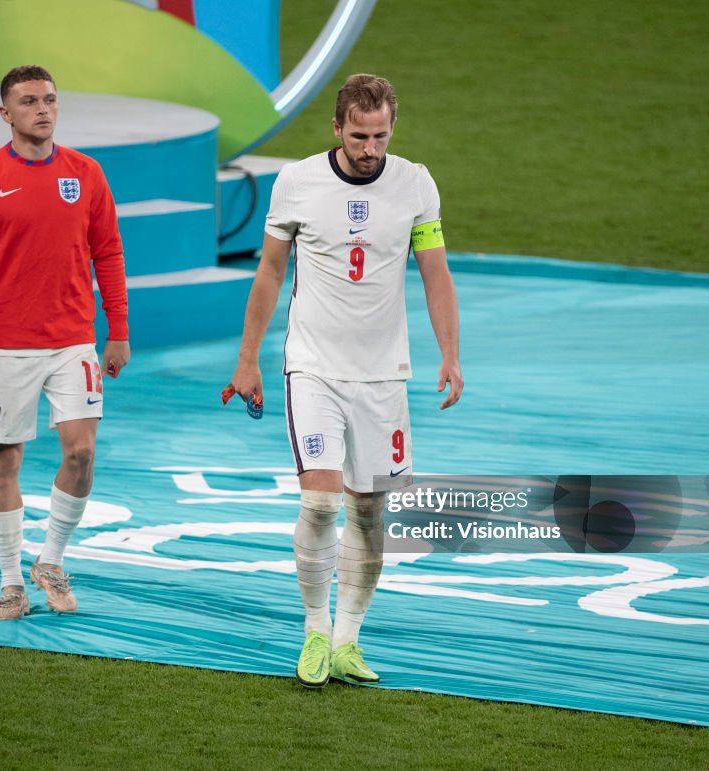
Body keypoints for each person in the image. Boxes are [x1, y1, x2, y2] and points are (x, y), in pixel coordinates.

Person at [230, 73, 463, 687]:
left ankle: (346, 642)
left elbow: (435, 275)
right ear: (337, 128)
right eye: (359, 136)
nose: (370, 149)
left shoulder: (415, 184)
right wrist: (248, 358)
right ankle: (312, 630)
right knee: (320, 499)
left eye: (381, 135)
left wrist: (450, 354)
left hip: (384, 376)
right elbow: (270, 274)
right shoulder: (296, 182)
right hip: (313, 367)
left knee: (368, 514)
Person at [0, 65, 130, 621]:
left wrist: (117, 329)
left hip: (72, 339)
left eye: (50, 99)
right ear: (6, 114)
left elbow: (110, 253)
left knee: (82, 450)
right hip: (2, 345)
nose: (43, 109)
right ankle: (10, 583)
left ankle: (50, 560)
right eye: (29, 102)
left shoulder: (86, 173)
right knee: (5, 461)